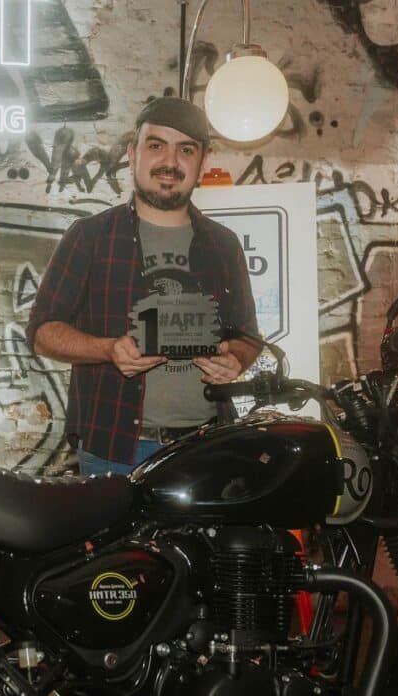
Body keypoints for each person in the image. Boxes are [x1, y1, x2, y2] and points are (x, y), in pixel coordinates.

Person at [27, 96, 261, 476]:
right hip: (113, 450)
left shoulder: (224, 245)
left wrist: (235, 359)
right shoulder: (90, 237)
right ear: (133, 154)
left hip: (205, 446)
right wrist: (108, 349)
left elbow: (247, 337)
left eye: (186, 150)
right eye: (156, 146)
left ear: (202, 161)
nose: (170, 162)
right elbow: (42, 333)